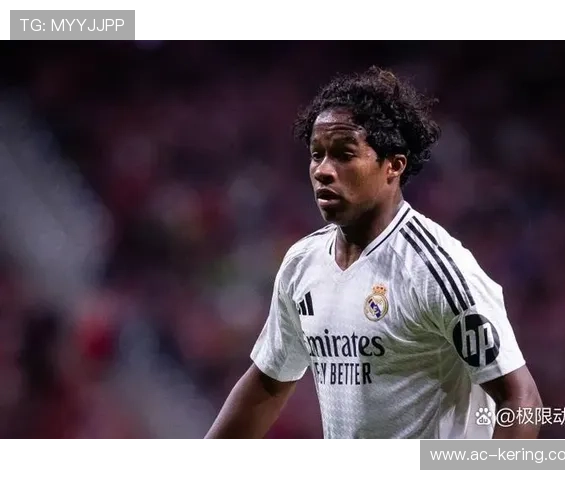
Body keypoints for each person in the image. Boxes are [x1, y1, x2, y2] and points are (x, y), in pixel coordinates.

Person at [205, 66, 542, 440]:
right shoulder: (302, 263)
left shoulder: (434, 268)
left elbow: (521, 399)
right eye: (317, 155)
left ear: (393, 166)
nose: (323, 171)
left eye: (344, 155)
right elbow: (269, 382)